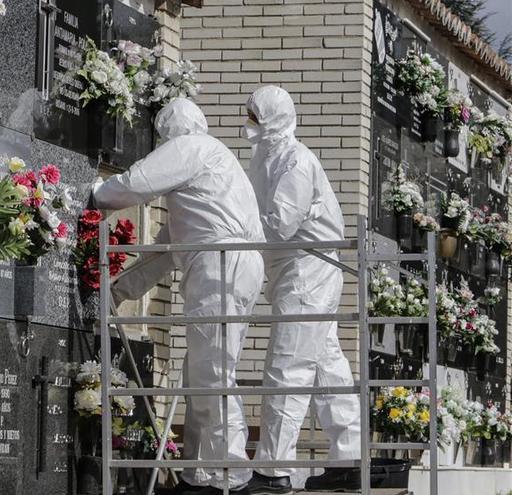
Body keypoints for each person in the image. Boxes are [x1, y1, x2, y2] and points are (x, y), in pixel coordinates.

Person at [92, 97, 265, 495]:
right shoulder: (207, 180)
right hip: (231, 265)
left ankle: (229, 473)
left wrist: (97, 194)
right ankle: (199, 474)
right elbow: (163, 253)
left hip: (220, 264)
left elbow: (137, 182)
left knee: (213, 371)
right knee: (201, 371)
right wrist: (119, 291)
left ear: (170, 131)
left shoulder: (192, 148)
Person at [242, 86, 361, 494]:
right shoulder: (266, 158)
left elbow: (278, 225)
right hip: (294, 271)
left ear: (274, 117)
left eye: (255, 115)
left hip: (308, 270)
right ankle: (350, 460)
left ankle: (273, 469)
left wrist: (232, 236)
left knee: (286, 366)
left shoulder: (295, 161)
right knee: (327, 367)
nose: (250, 123)